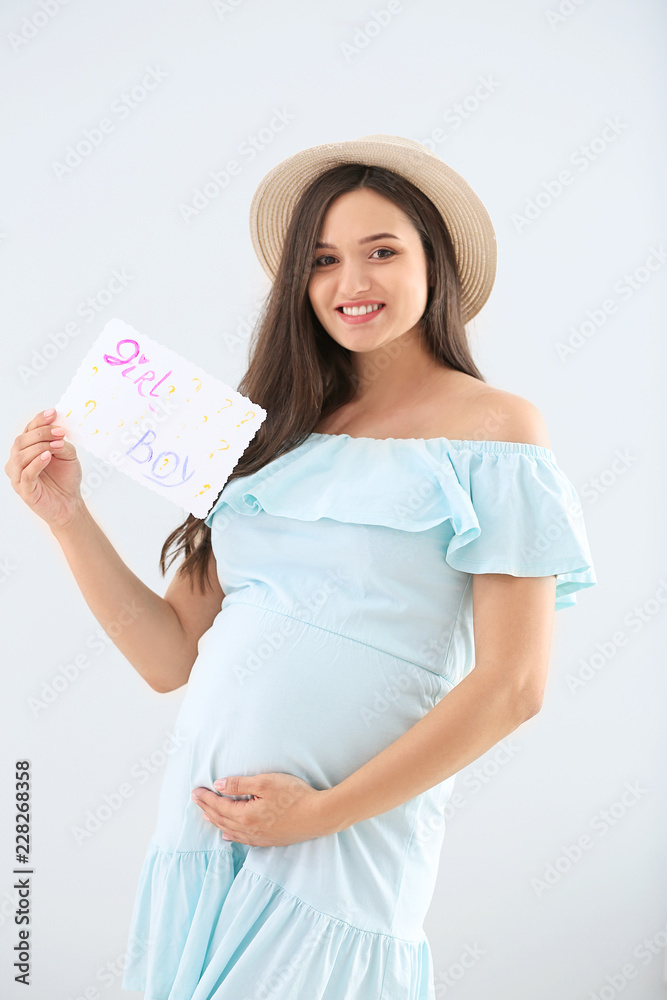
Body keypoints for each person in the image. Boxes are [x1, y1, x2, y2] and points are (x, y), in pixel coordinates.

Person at [6, 134, 597, 999]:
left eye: (380, 252)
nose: (350, 284)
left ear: (434, 263)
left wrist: (314, 814)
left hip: (341, 837)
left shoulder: (496, 430)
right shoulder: (263, 434)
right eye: (322, 260)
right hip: (204, 834)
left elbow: (513, 686)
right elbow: (169, 654)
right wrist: (67, 520)